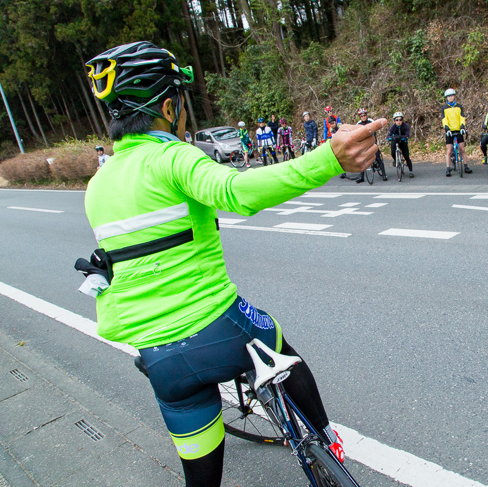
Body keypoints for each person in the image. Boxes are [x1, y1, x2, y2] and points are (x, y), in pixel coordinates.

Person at [81, 40, 386, 487]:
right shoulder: (172, 156)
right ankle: (326, 437)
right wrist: (328, 159)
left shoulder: (98, 183)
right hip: (217, 328)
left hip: (160, 357)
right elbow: (238, 193)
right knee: (276, 339)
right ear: (170, 106)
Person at [441, 88, 471, 177]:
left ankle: (466, 166)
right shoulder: (444, 108)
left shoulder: (459, 106)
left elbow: (462, 117)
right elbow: (444, 119)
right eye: (449, 96)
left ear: (454, 96)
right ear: (446, 98)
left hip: (458, 129)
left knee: (462, 149)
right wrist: (446, 128)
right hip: (449, 130)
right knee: (449, 150)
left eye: (452, 96)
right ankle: (448, 168)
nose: (450, 97)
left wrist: (462, 126)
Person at [354, 108, 387, 183]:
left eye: (364, 115)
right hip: (364, 144)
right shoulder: (358, 124)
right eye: (361, 116)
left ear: (366, 115)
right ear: (360, 117)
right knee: (362, 160)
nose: (363, 117)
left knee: (378, 158)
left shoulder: (371, 121)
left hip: (372, 143)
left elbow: (375, 128)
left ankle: (384, 175)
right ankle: (361, 177)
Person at [387, 111, 414, 178]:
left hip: (403, 141)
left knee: (406, 156)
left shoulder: (405, 126)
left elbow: (407, 134)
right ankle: (396, 160)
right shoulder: (393, 127)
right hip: (395, 141)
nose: (399, 121)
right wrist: (390, 138)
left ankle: (411, 171)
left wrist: (404, 137)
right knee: (392, 152)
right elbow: (388, 136)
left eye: (400, 119)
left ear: (402, 120)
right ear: (394, 120)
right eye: (397, 120)